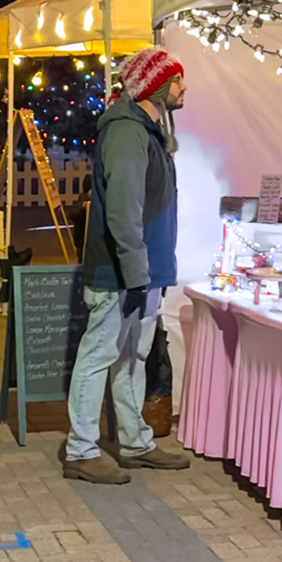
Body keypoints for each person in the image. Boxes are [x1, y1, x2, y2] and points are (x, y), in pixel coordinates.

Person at [64, 47, 190, 483]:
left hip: (142, 273)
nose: (183, 87)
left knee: (133, 357)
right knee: (100, 354)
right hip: (119, 274)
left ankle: (134, 441)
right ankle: (81, 450)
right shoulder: (126, 133)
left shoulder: (148, 132)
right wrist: (137, 276)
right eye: (176, 80)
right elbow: (123, 210)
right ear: (155, 87)